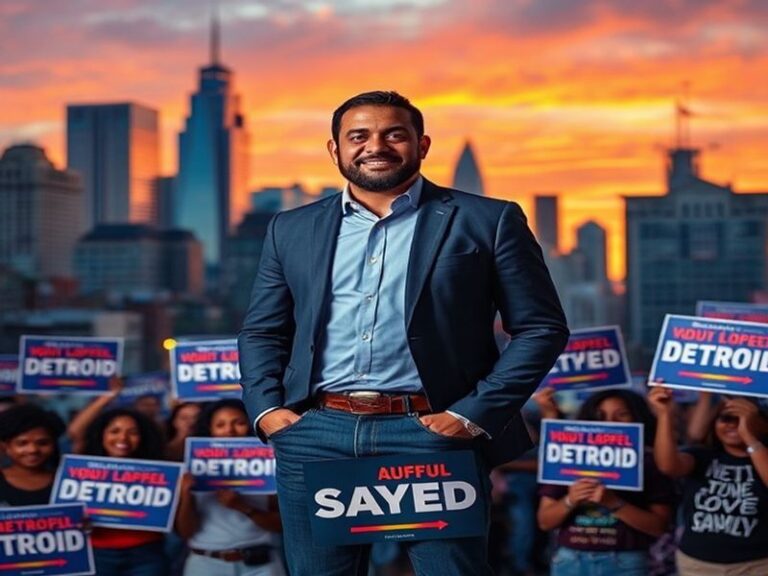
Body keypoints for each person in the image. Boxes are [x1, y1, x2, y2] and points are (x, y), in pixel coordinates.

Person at [238, 90, 568, 576]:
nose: (377, 146)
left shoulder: (487, 220)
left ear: (422, 144)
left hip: (432, 433)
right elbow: (263, 330)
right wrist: (268, 412)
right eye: (359, 136)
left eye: (394, 134)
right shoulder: (290, 228)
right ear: (335, 149)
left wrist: (471, 415)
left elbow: (541, 327)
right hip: (315, 434)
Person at [537, 389, 675, 576]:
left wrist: (613, 503)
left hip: (626, 563)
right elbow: (545, 522)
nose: (610, 423)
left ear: (637, 417)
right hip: (570, 561)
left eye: (622, 415)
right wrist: (571, 499)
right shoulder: (567, 457)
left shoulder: (650, 462)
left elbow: (659, 526)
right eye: (600, 416)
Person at [649, 387, 768, 575]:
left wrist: (751, 438)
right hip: (698, 564)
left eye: (742, 419)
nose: (733, 425)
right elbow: (668, 466)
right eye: (726, 418)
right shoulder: (701, 456)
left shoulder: (763, 459)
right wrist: (665, 415)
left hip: (756, 565)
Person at [175, 399, 282, 576]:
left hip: (259, 563)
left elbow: (280, 525)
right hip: (206, 563)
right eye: (220, 425)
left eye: (238, 423)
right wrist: (185, 495)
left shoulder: (268, 465)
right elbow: (186, 532)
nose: (229, 430)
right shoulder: (195, 467)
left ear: (250, 425)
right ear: (210, 429)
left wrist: (243, 507)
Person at [81, 407, 169, 576]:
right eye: (114, 431)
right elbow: (73, 433)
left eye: (133, 432)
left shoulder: (161, 472)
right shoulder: (80, 470)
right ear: (101, 435)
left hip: (146, 553)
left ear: (142, 438)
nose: (123, 438)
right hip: (96, 553)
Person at [0, 404, 65, 506]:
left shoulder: (66, 481)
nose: (33, 450)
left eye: (43, 443)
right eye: (22, 443)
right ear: (6, 446)